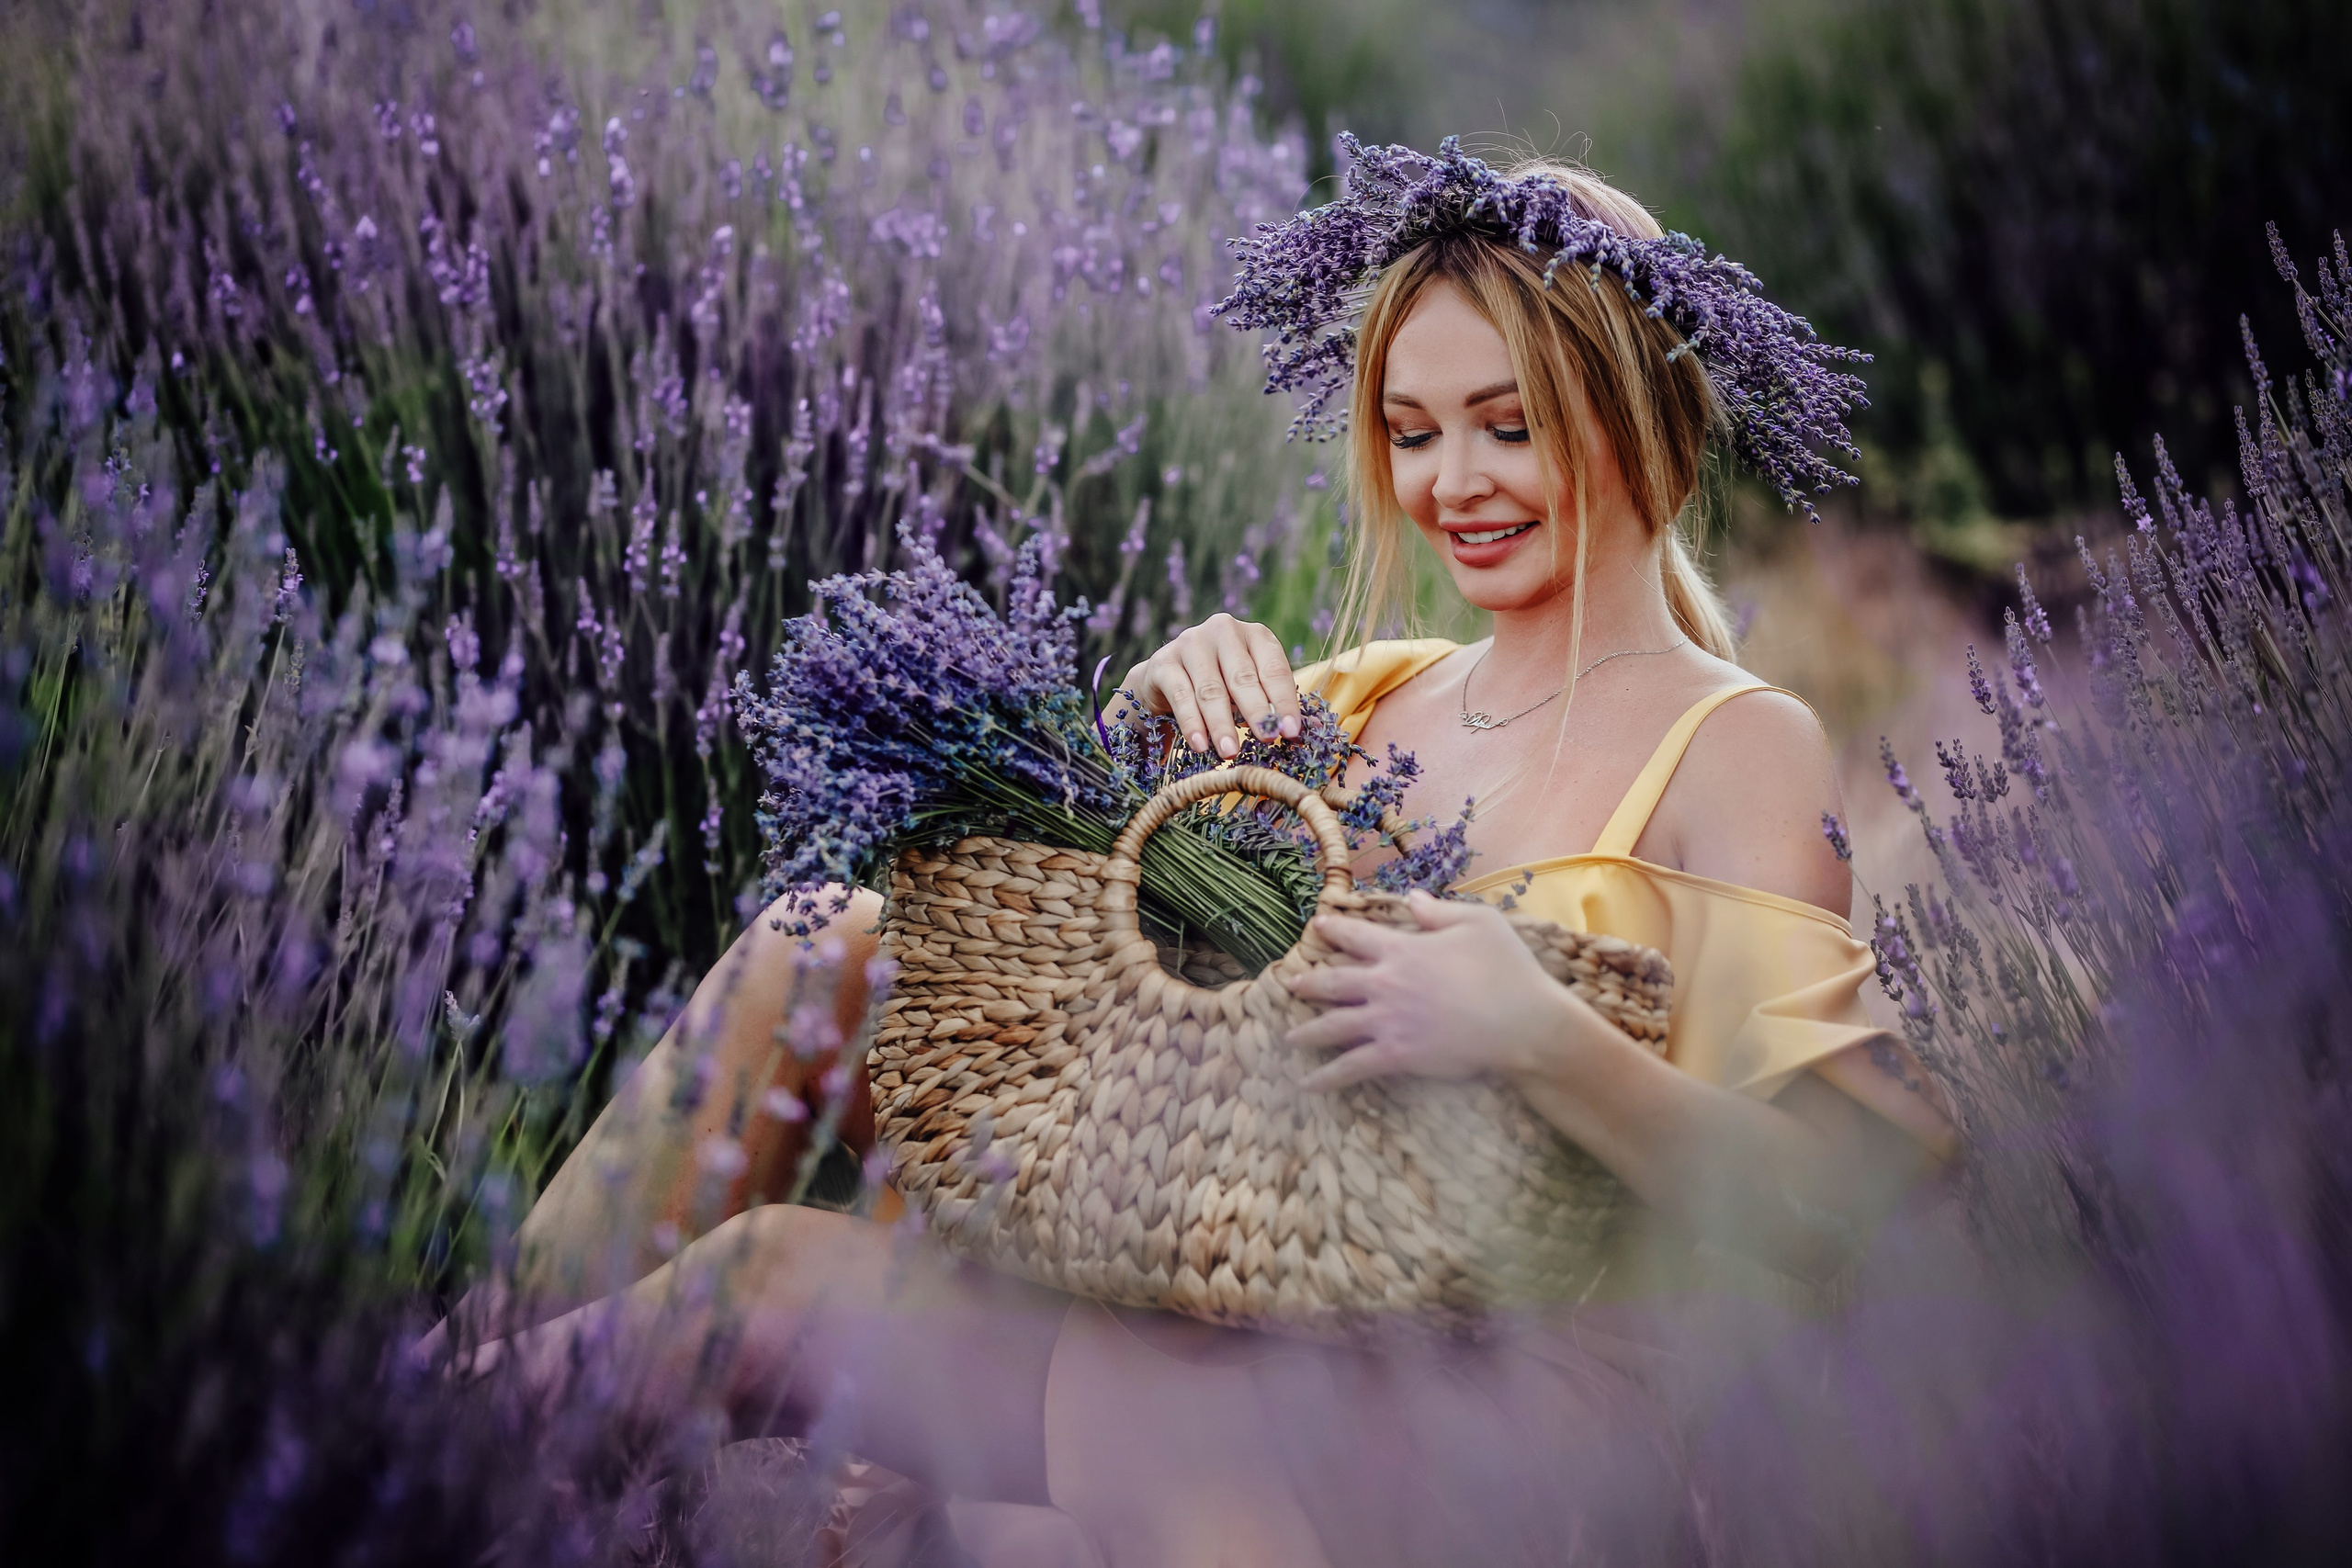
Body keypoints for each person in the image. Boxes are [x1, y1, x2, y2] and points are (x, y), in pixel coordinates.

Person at [464, 142, 1957, 1566]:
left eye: (1511, 423)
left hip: (1471, 1398)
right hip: (1236, 1313)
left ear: (1646, 409)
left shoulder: (1732, 737)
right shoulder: (1369, 693)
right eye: (1413, 431)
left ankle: (383, 1450)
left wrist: (1540, 1031)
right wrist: (1128, 738)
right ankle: (437, 1392)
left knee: (761, 1286)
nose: (1454, 484)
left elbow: (1849, 1198)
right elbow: (1083, 1015)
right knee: (821, 944)